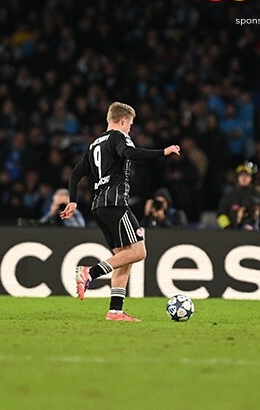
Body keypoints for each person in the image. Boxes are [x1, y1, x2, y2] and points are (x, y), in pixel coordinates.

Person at [61, 102, 180, 322]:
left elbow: (75, 174)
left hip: (99, 206)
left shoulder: (95, 144)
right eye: (130, 124)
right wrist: (163, 152)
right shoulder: (118, 137)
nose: (130, 130)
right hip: (115, 203)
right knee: (139, 251)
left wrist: (73, 201)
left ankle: (115, 311)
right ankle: (89, 273)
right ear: (123, 120)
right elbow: (129, 152)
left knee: (124, 258)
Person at [216, 161, 260, 229]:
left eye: (247, 175)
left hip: (258, 234)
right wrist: (228, 228)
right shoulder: (229, 197)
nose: (244, 178)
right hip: (234, 234)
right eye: (241, 175)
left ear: (252, 178)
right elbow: (221, 215)